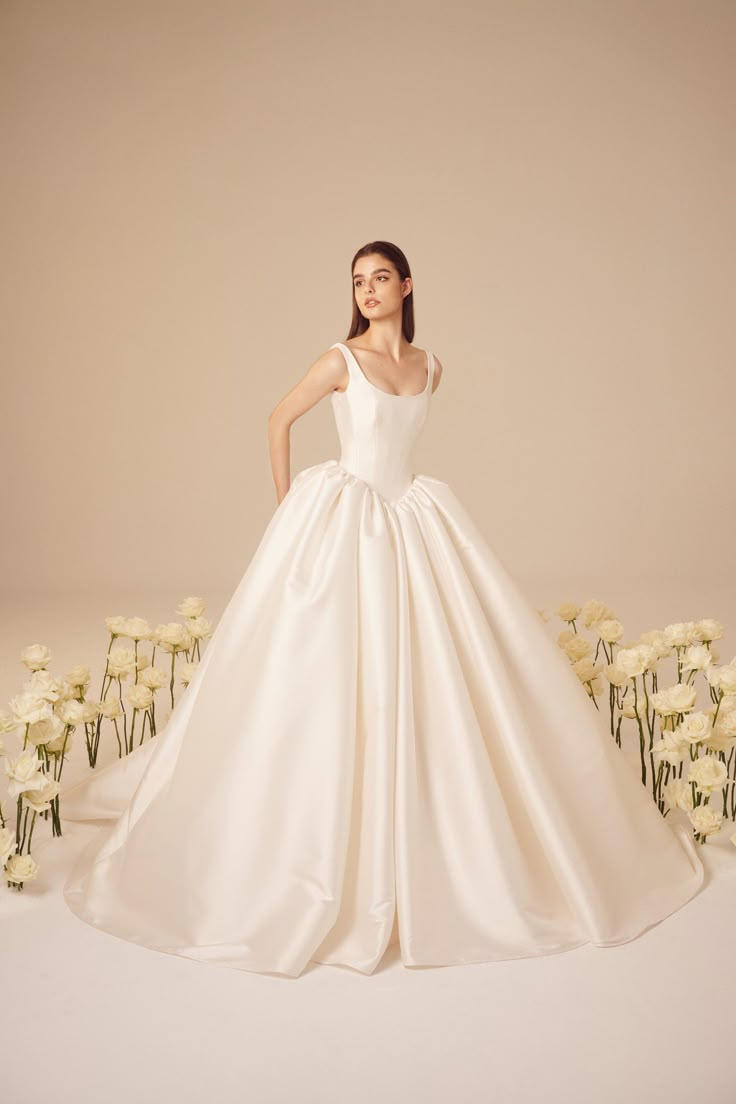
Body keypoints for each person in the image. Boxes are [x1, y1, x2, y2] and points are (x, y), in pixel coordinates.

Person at [60, 240, 704, 978]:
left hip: (413, 520)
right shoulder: (339, 359)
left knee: (444, 672)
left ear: (406, 285)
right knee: (326, 677)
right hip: (346, 523)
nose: (368, 291)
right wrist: (291, 507)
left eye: (380, 278)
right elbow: (278, 420)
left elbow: (400, 444)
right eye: (358, 281)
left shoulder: (431, 366)